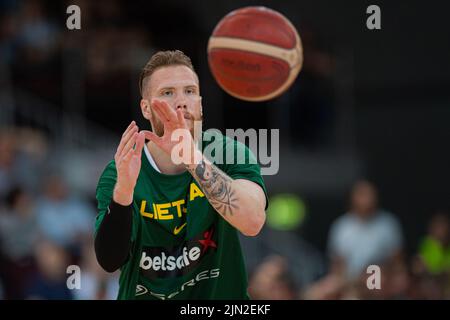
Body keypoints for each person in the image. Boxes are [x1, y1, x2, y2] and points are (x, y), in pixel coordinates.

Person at [94, 50, 268, 300]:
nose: (181, 101)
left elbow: (252, 222)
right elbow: (109, 261)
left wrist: (190, 157)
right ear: (145, 108)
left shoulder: (228, 153)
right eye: (167, 93)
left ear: (200, 102)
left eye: (189, 91)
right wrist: (123, 193)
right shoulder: (122, 169)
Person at [327, 180, 404, 280]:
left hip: (380, 278)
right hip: (349, 280)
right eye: (362, 195)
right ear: (352, 198)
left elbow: (397, 262)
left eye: (370, 195)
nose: (367, 199)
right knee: (316, 292)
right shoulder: (342, 226)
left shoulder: (388, 224)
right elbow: (337, 264)